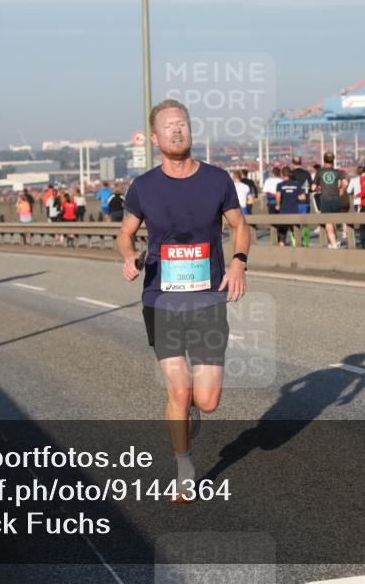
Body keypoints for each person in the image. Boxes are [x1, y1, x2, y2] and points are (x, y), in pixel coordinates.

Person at [118, 99, 249, 504]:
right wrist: (128, 255)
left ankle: (191, 413)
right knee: (178, 389)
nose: (177, 131)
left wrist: (239, 262)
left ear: (190, 132)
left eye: (183, 125)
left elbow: (240, 227)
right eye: (169, 127)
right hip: (161, 299)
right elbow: (125, 234)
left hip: (208, 299)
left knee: (206, 401)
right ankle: (184, 466)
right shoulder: (143, 187)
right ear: (155, 139)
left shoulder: (217, 180)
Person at [314, 152, 347, 248]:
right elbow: (345, 183)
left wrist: (318, 189)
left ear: (324, 160)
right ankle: (334, 241)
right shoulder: (337, 172)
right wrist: (341, 190)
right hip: (336, 199)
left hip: (325, 199)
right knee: (333, 221)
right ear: (333, 160)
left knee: (328, 223)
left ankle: (333, 243)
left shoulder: (320, 172)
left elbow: (313, 187)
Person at [275, 166, 305, 246]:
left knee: (282, 235)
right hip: (294, 211)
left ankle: (281, 253)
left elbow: (278, 196)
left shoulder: (280, 185)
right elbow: (303, 197)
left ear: (282, 174)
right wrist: (294, 196)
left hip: (283, 212)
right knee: (296, 233)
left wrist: (278, 205)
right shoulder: (296, 184)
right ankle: (298, 251)